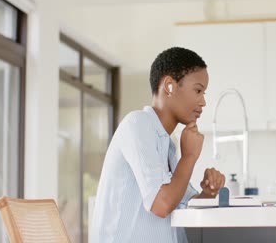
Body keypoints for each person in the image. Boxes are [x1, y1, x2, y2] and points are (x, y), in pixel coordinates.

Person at [91, 47, 226, 242]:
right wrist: (189, 157)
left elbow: (184, 205)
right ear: (169, 86)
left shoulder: (166, 144)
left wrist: (208, 192)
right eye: (198, 90)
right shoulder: (137, 124)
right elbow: (162, 204)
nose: (203, 101)